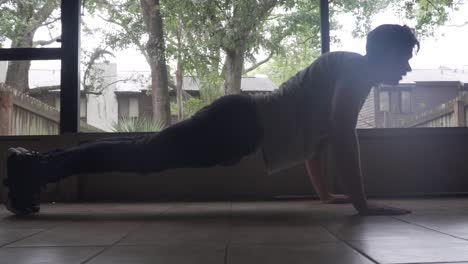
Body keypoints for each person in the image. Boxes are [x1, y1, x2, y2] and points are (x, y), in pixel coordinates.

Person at [3, 24, 418, 216]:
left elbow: (320, 140)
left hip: (237, 125)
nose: (406, 70)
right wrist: (363, 205)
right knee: (142, 155)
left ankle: (34, 169)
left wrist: (326, 196)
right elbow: (343, 135)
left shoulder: (349, 70)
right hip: (237, 123)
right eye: (404, 60)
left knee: (143, 155)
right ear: (385, 54)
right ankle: (34, 168)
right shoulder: (357, 72)